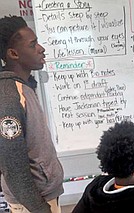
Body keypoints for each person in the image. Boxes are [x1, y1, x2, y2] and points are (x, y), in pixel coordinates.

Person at [0, 16, 64, 213]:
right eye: (33, 44)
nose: (41, 48)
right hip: (32, 204)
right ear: (13, 53)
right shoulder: (9, 97)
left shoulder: (24, 87)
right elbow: (13, 167)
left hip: (42, 198)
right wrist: (40, 209)